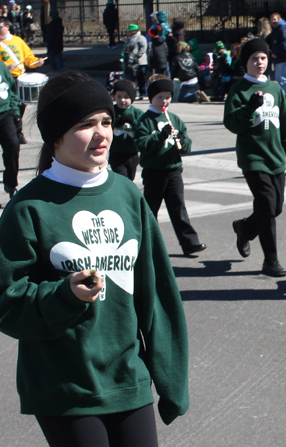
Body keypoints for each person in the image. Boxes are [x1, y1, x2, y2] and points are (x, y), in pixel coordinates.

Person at [0, 70, 189, 447]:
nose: (102, 133)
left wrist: (170, 378)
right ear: (56, 136)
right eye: (86, 124)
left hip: (127, 378)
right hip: (63, 386)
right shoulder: (28, 208)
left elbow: (158, 293)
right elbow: (7, 302)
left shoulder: (127, 194)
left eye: (106, 121)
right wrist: (64, 296)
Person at [224, 38, 286, 277]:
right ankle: (271, 260)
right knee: (266, 205)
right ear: (246, 62)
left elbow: (285, 124)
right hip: (253, 158)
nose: (259, 62)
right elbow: (232, 124)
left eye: (263, 58)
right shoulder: (238, 90)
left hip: (276, 157)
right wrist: (249, 108)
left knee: (275, 208)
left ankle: (245, 228)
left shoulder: (276, 89)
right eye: (254, 58)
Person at [135, 74, 207, 256]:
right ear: (152, 97)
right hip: (154, 172)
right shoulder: (145, 120)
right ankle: (150, 246)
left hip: (174, 170)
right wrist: (160, 136)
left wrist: (181, 141)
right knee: (151, 210)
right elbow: (142, 145)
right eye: (160, 97)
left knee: (178, 208)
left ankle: (190, 243)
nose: (164, 101)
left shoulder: (175, 119)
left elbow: (187, 147)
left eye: (167, 96)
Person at [0, 16, 44, 144]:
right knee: (9, 107)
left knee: (20, 107)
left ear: (7, 27)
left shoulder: (18, 41)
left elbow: (29, 59)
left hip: (19, 77)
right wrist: (5, 66)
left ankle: (17, 131)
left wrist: (37, 62)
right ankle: (13, 131)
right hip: (5, 80)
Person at [110, 79, 143, 181]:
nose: (122, 100)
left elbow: (143, 129)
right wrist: (115, 123)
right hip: (116, 153)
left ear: (132, 98)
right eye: (119, 96)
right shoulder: (111, 110)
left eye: (126, 97)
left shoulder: (137, 113)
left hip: (132, 153)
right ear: (114, 96)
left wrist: (133, 122)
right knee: (122, 179)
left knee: (130, 179)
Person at [0, 60, 20, 200]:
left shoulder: (2, 66)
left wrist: (16, 110)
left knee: (13, 145)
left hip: (5, 113)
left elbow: (12, 89)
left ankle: (11, 183)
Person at [269, 12, 286, 95]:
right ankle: (283, 93)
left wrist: (276, 53)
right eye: (272, 19)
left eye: (275, 19)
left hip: (283, 57)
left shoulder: (282, 29)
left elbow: (285, 43)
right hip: (279, 57)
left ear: (279, 19)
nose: (273, 21)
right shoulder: (277, 29)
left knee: (284, 77)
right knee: (279, 77)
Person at [123, 24, 148, 100]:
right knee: (131, 78)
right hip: (130, 62)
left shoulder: (141, 38)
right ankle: (132, 93)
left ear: (133, 31)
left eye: (129, 31)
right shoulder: (128, 39)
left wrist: (137, 56)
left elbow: (143, 48)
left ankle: (143, 93)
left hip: (140, 62)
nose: (128, 33)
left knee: (141, 78)